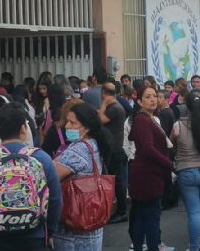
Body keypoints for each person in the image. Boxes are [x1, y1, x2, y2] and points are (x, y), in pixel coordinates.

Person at [0, 103, 62, 251]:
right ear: (24, 129)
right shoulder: (42, 159)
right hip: (34, 237)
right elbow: (55, 201)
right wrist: (50, 233)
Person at [53, 103, 112, 250]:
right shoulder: (93, 144)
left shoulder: (79, 149)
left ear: (86, 127)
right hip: (91, 224)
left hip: (74, 230)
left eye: (73, 123)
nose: (67, 126)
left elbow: (51, 175)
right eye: (67, 121)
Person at [170, 91, 200, 251]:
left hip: (187, 170)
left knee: (194, 213)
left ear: (186, 107)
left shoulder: (178, 126)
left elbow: (171, 146)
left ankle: (194, 247)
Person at [128, 87, 173, 251]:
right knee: (151, 217)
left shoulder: (149, 118)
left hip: (146, 173)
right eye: (148, 97)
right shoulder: (143, 120)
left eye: (155, 96)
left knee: (142, 215)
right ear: (139, 101)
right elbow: (148, 148)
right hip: (147, 175)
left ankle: (139, 247)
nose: (153, 99)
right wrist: (169, 164)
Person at [98, 83, 129, 224]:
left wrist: (103, 105)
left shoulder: (114, 108)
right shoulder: (116, 107)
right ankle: (121, 209)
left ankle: (122, 212)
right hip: (114, 148)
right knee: (117, 181)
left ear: (104, 93)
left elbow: (100, 120)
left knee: (118, 182)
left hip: (115, 150)